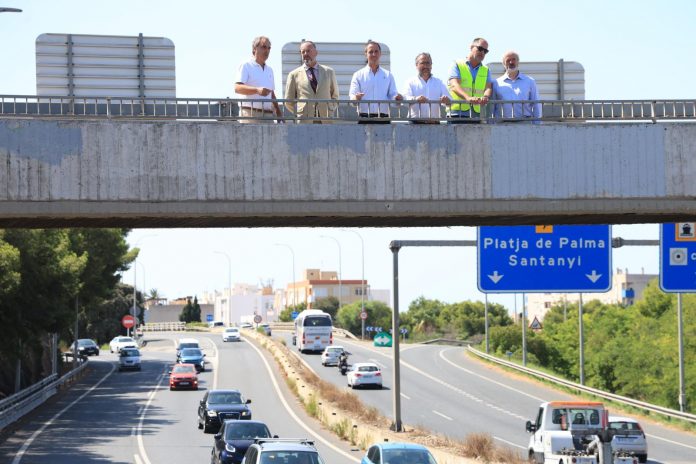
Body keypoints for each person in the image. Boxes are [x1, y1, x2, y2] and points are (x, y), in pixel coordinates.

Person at [285, 40, 339, 124]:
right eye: (303, 52)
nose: (305, 54)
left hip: (326, 119)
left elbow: (335, 96)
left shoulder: (329, 72)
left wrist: (330, 109)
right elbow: (288, 101)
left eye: (308, 51)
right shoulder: (293, 74)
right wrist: (299, 112)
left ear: (316, 52)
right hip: (304, 120)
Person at [349, 40, 402, 123]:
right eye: (370, 52)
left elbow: (393, 96)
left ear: (380, 53)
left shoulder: (388, 75)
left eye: (376, 51)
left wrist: (397, 98)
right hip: (364, 117)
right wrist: (356, 98)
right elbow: (352, 99)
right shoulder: (357, 75)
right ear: (365, 54)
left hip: (384, 118)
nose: (374, 54)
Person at [234, 36, 282, 123]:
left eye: (269, 48)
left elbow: (271, 93)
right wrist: (257, 90)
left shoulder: (269, 70)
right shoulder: (246, 65)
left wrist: (278, 111)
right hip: (250, 113)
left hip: (268, 115)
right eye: (264, 47)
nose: (267, 50)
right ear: (254, 49)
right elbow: (237, 88)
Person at [447, 37, 493, 122]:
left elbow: (488, 87)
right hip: (457, 113)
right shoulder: (457, 64)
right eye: (480, 48)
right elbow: (454, 85)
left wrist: (485, 97)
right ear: (471, 47)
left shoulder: (486, 70)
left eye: (485, 51)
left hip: (477, 114)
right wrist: (468, 98)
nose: (482, 52)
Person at [492, 50, 542, 122]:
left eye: (513, 59)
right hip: (502, 125)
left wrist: (538, 125)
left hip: (525, 124)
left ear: (518, 62)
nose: (511, 62)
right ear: (503, 64)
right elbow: (493, 107)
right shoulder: (496, 83)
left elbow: (536, 105)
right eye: (508, 60)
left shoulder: (530, 81)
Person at [402, 52, 450, 122]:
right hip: (414, 124)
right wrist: (416, 99)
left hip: (435, 124)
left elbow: (450, 102)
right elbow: (404, 100)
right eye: (422, 63)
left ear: (431, 65)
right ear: (416, 65)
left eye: (428, 63)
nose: (426, 66)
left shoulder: (439, 82)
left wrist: (447, 100)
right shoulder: (410, 82)